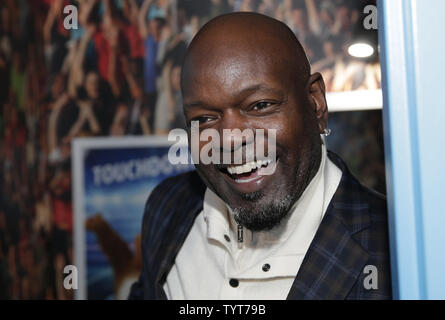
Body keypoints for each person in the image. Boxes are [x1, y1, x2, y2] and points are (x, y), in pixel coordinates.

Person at [129, 12, 391, 300]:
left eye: (260, 105)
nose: (230, 138)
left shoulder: (391, 250)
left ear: (315, 103)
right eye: (204, 118)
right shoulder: (167, 207)